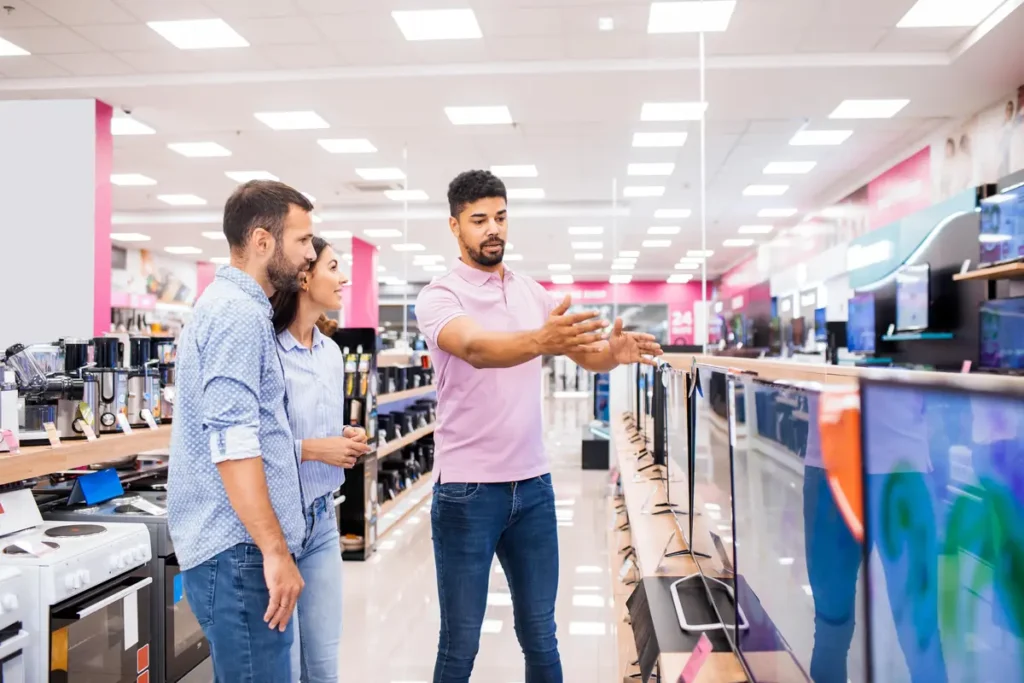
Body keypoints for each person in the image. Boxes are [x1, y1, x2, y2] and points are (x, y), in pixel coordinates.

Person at [415, 169, 664, 683]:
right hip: (466, 492)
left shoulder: (531, 292)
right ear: (454, 226)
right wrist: (543, 341)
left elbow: (583, 352)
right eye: (479, 219)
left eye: (501, 218)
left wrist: (611, 354)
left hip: (533, 488)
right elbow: (476, 348)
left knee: (541, 635)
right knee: (460, 644)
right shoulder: (440, 296)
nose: (493, 230)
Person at [168, 180, 317, 682]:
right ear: (261, 242)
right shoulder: (236, 315)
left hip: (240, 552)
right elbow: (232, 444)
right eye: (301, 241)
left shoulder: (241, 308)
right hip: (241, 554)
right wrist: (274, 552)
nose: (311, 253)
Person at [271, 237, 372, 683]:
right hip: (275, 524)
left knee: (324, 667)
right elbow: (252, 445)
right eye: (334, 267)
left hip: (323, 520)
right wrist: (314, 448)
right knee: (285, 666)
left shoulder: (331, 354)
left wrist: (346, 438)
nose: (345, 277)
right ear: (304, 276)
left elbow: (324, 431)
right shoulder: (269, 350)